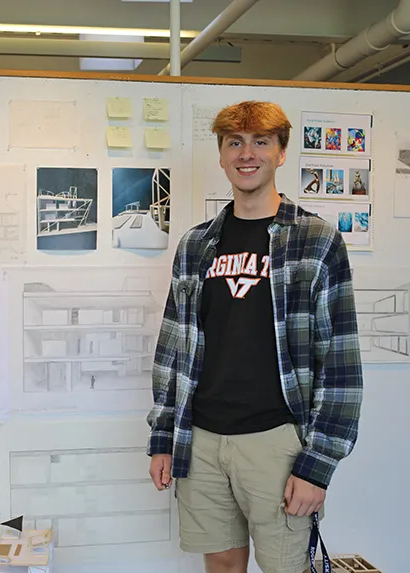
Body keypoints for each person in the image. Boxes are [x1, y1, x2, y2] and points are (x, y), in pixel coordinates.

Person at [146, 101, 363, 573]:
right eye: (235, 143)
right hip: (201, 439)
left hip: (276, 442)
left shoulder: (316, 240)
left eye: (261, 141)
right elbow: (172, 347)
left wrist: (318, 464)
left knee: (286, 568)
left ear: (281, 153)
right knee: (222, 566)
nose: (248, 154)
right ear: (222, 156)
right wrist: (164, 435)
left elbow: (341, 365)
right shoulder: (196, 244)